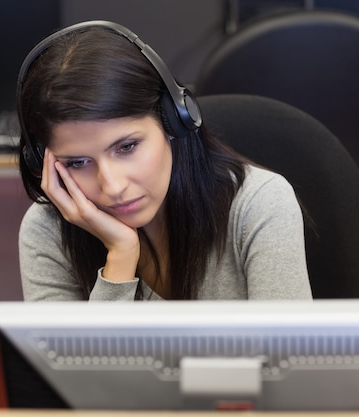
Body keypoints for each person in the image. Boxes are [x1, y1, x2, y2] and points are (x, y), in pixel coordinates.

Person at [16, 20, 313, 301]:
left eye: (128, 147)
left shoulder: (258, 204)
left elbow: (283, 355)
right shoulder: (48, 231)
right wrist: (120, 257)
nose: (113, 186)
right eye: (78, 163)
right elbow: (66, 359)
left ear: (173, 120)